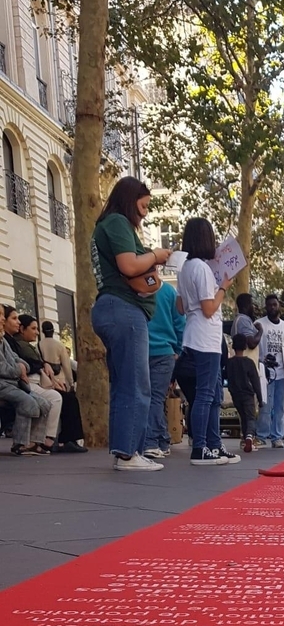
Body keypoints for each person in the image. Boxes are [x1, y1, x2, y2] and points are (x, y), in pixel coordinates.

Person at [91, 175, 172, 471]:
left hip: (113, 308)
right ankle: (128, 453)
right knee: (136, 383)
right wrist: (156, 255)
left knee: (125, 383)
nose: (144, 213)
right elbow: (128, 265)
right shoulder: (117, 223)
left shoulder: (107, 225)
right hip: (124, 309)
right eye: (143, 206)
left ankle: (125, 450)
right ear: (129, 200)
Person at [177, 216, 240, 466]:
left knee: (212, 394)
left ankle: (213, 444)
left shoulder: (185, 268)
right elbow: (209, 308)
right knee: (206, 394)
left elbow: (180, 307)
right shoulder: (201, 269)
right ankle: (201, 446)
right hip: (206, 338)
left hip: (194, 335)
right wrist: (223, 287)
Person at [13, 313, 87, 454]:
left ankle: (57, 439)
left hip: (43, 380)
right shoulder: (31, 346)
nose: (36, 332)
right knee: (65, 398)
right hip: (38, 381)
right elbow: (66, 365)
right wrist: (69, 383)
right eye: (33, 328)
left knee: (64, 398)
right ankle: (60, 439)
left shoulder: (37, 345)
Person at [5, 307, 62, 452]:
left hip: (16, 382)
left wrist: (23, 366)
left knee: (46, 401)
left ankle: (38, 440)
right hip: (10, 383)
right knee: (29, 401)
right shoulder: (14, 342)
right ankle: (21, 442)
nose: (16, 322)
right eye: (13, 318)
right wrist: (20, 369)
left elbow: (18, 360)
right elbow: (9, 365)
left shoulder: (6, 342)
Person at [144, 282, 186, 459]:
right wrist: (177, 350)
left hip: (143, 350)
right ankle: (161, 439)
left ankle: (153, 442)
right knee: (155, 399)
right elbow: (180, 323)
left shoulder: (134, 289)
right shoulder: (169, 291)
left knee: (148, 398)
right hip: (165, 352)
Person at [256, 294, 284, 449]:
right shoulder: (259, 324)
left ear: (279, 306)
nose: (272, 307)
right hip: (265, 372)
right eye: (269, 305)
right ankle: (261, 435)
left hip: (282, 372)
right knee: (265, 405)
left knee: (280, 406)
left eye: (275, 305)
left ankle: (277, 437)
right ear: (266, 307)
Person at [225, 332, 263, 452]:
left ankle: (245, 438)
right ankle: (250, 437)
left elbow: (225, 377)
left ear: (233, 347)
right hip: (248, 394)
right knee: (250, 417)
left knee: (243, 416)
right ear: (245, 346)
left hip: (235, 394)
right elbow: (256, 381)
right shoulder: (249, 363)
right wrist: (260, 399)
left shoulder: (229, 363)